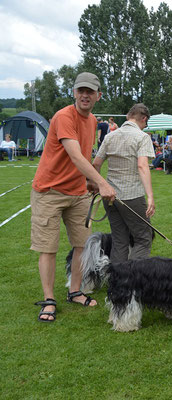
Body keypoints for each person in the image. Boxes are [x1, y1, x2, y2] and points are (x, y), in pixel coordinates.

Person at [30, 72, 116, 322]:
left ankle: (75, 291)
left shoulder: (93, 121)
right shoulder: (64, 116)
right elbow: (75, 156)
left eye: (90, 91)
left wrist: (89, 181)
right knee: (48, 248)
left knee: (82, 244)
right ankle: (49, 300)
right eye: (81, 90)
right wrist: (102, 183)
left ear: (98, 96)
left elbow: (85, 157)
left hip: (78, 193)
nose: (85, 95)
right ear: (74, 93)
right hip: (49, 191)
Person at [92, 103, 155, 262]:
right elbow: (142, 165)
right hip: (132, 195)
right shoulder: (142, 137)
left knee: (119, 240)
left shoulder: (110, 136)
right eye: (145, 124)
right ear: (144, 119)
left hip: (110, 196)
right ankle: (134, 280)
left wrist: (96, 185)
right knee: (143, 238)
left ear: (128, 116)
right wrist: (150, 196)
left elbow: (96, 164)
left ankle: (118, 283)